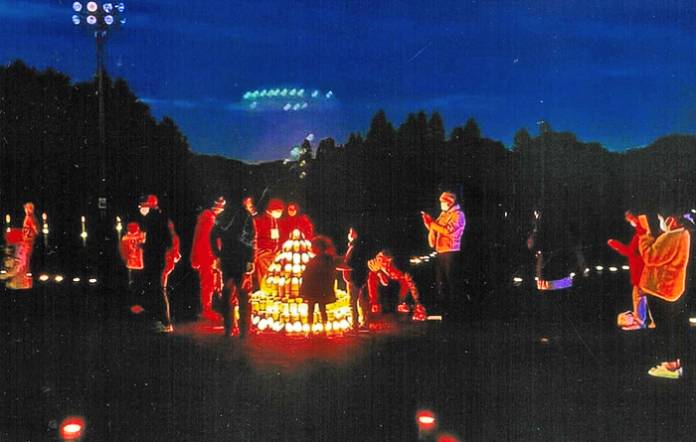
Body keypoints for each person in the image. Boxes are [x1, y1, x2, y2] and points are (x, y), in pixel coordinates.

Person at [637, 214, 691, 379]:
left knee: (665, 330)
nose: (661, 223)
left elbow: (650, 256)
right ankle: (676, 364)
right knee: (671, 328)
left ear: (672, 220)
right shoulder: (683, 234)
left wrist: (643, 235)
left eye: (662, 220)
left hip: (661, 290)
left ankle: (671, 367)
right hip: (671, 289)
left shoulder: (672, 236)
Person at [211, 199, 255, 337]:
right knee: (243, 295)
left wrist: (218, 255)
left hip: (227, 259)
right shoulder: (246, 216)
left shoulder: (222, 216)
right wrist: (251, 259)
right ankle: (244, 329)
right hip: (242, 260)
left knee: (227, 294)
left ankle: (229, 328)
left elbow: (212, 236)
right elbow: (252, 239)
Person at [608, 211, 654, 330]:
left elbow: (628, 251)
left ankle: (637, 223)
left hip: (639, 281)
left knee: (633, 248)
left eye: (622, 316)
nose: (625, 316)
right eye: (624, 319)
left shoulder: (638, 317)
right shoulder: (639, 319)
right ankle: (637, 223)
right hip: (641, 281)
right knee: (635, 246)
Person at [421, 192, 466, 314]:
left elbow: (448, 230)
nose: (441, 204)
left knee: (451, 281)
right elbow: (436, 229)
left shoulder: (458, 215)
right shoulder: (444, 214)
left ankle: (455, 309)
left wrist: (432, 224)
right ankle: (444, 308)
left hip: (451, 252)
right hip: (441, 251)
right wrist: (428, 223)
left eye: (443, 202)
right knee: (441, 282)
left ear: (450, 202)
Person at [135, 194, 174, 333]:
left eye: (143, 204)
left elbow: (159, 240)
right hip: (157, 256)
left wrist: (145, 246)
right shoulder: (159, 217)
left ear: (150, 204)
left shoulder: (154, 219)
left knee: (158, 289)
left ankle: (164, 322)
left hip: (155, 257)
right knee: (157, 289)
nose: (141, 207)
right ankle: (161, 321)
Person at [191, 197, 226, 320]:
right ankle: (207, 309)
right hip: (208, 256)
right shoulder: (208, 219)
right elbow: (206, 240)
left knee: (214, 282)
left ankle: (212, 308)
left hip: (211, 256)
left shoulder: (210, 218)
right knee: (209, 283)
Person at [366, 250, 426, 320]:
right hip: (386, 286)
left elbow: (410, 284)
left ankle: (412, 306)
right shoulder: (375, 270)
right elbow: (375, 284)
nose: (386, 267)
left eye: (387, 263)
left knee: (408, 285)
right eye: (383, 264)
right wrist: (374, 302)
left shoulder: (400, 269)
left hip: (402, 282)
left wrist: (416, 302)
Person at [300, 236, 337, 334]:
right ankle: (323, 330)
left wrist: (303, 289)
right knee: (321, 309)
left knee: (312, 310)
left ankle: (311, 330)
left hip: (314, 290)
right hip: (321, 290)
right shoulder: (328, 260)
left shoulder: (316, 261)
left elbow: (307, 276)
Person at [247, 198, 285, 293]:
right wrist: (270, 248)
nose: (280, 213)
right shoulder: (265, 219)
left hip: (267, 249)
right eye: (279, 210)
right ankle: (265, 289)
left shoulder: (271, 219)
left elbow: (274, 236)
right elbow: (262, 236)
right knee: (265, 272)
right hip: (264, 250)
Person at [340, 226, 371, 331]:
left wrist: (339, 266)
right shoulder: (356, 246)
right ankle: (363, 322)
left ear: (356, 234)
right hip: (358, 277)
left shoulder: (355, 247)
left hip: (354, 278)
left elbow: (352, 263)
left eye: (351, 232)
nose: (349, 234)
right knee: (360, 301)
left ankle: (355, 324)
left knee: (353, 302)